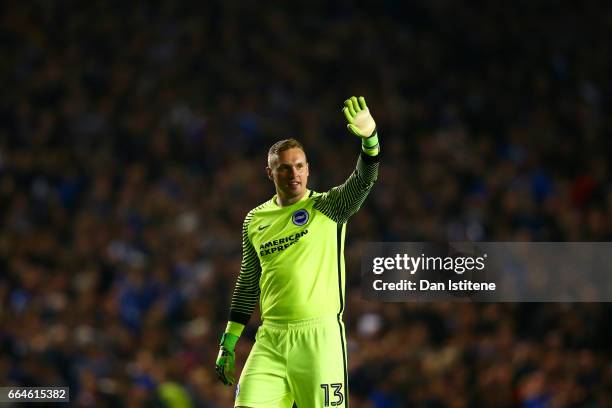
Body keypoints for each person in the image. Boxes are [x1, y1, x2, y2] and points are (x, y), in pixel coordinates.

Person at [215, 96, 380, 407]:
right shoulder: (255, 220)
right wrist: (229, 340)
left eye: (300, 166)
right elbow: (248, 283)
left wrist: (370, 141)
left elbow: (364, 181)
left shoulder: (328, 207)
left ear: (308, 168)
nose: (294, 174)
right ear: (270, 173)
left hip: (318, 339)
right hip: (271, 339)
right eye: (285, 168)